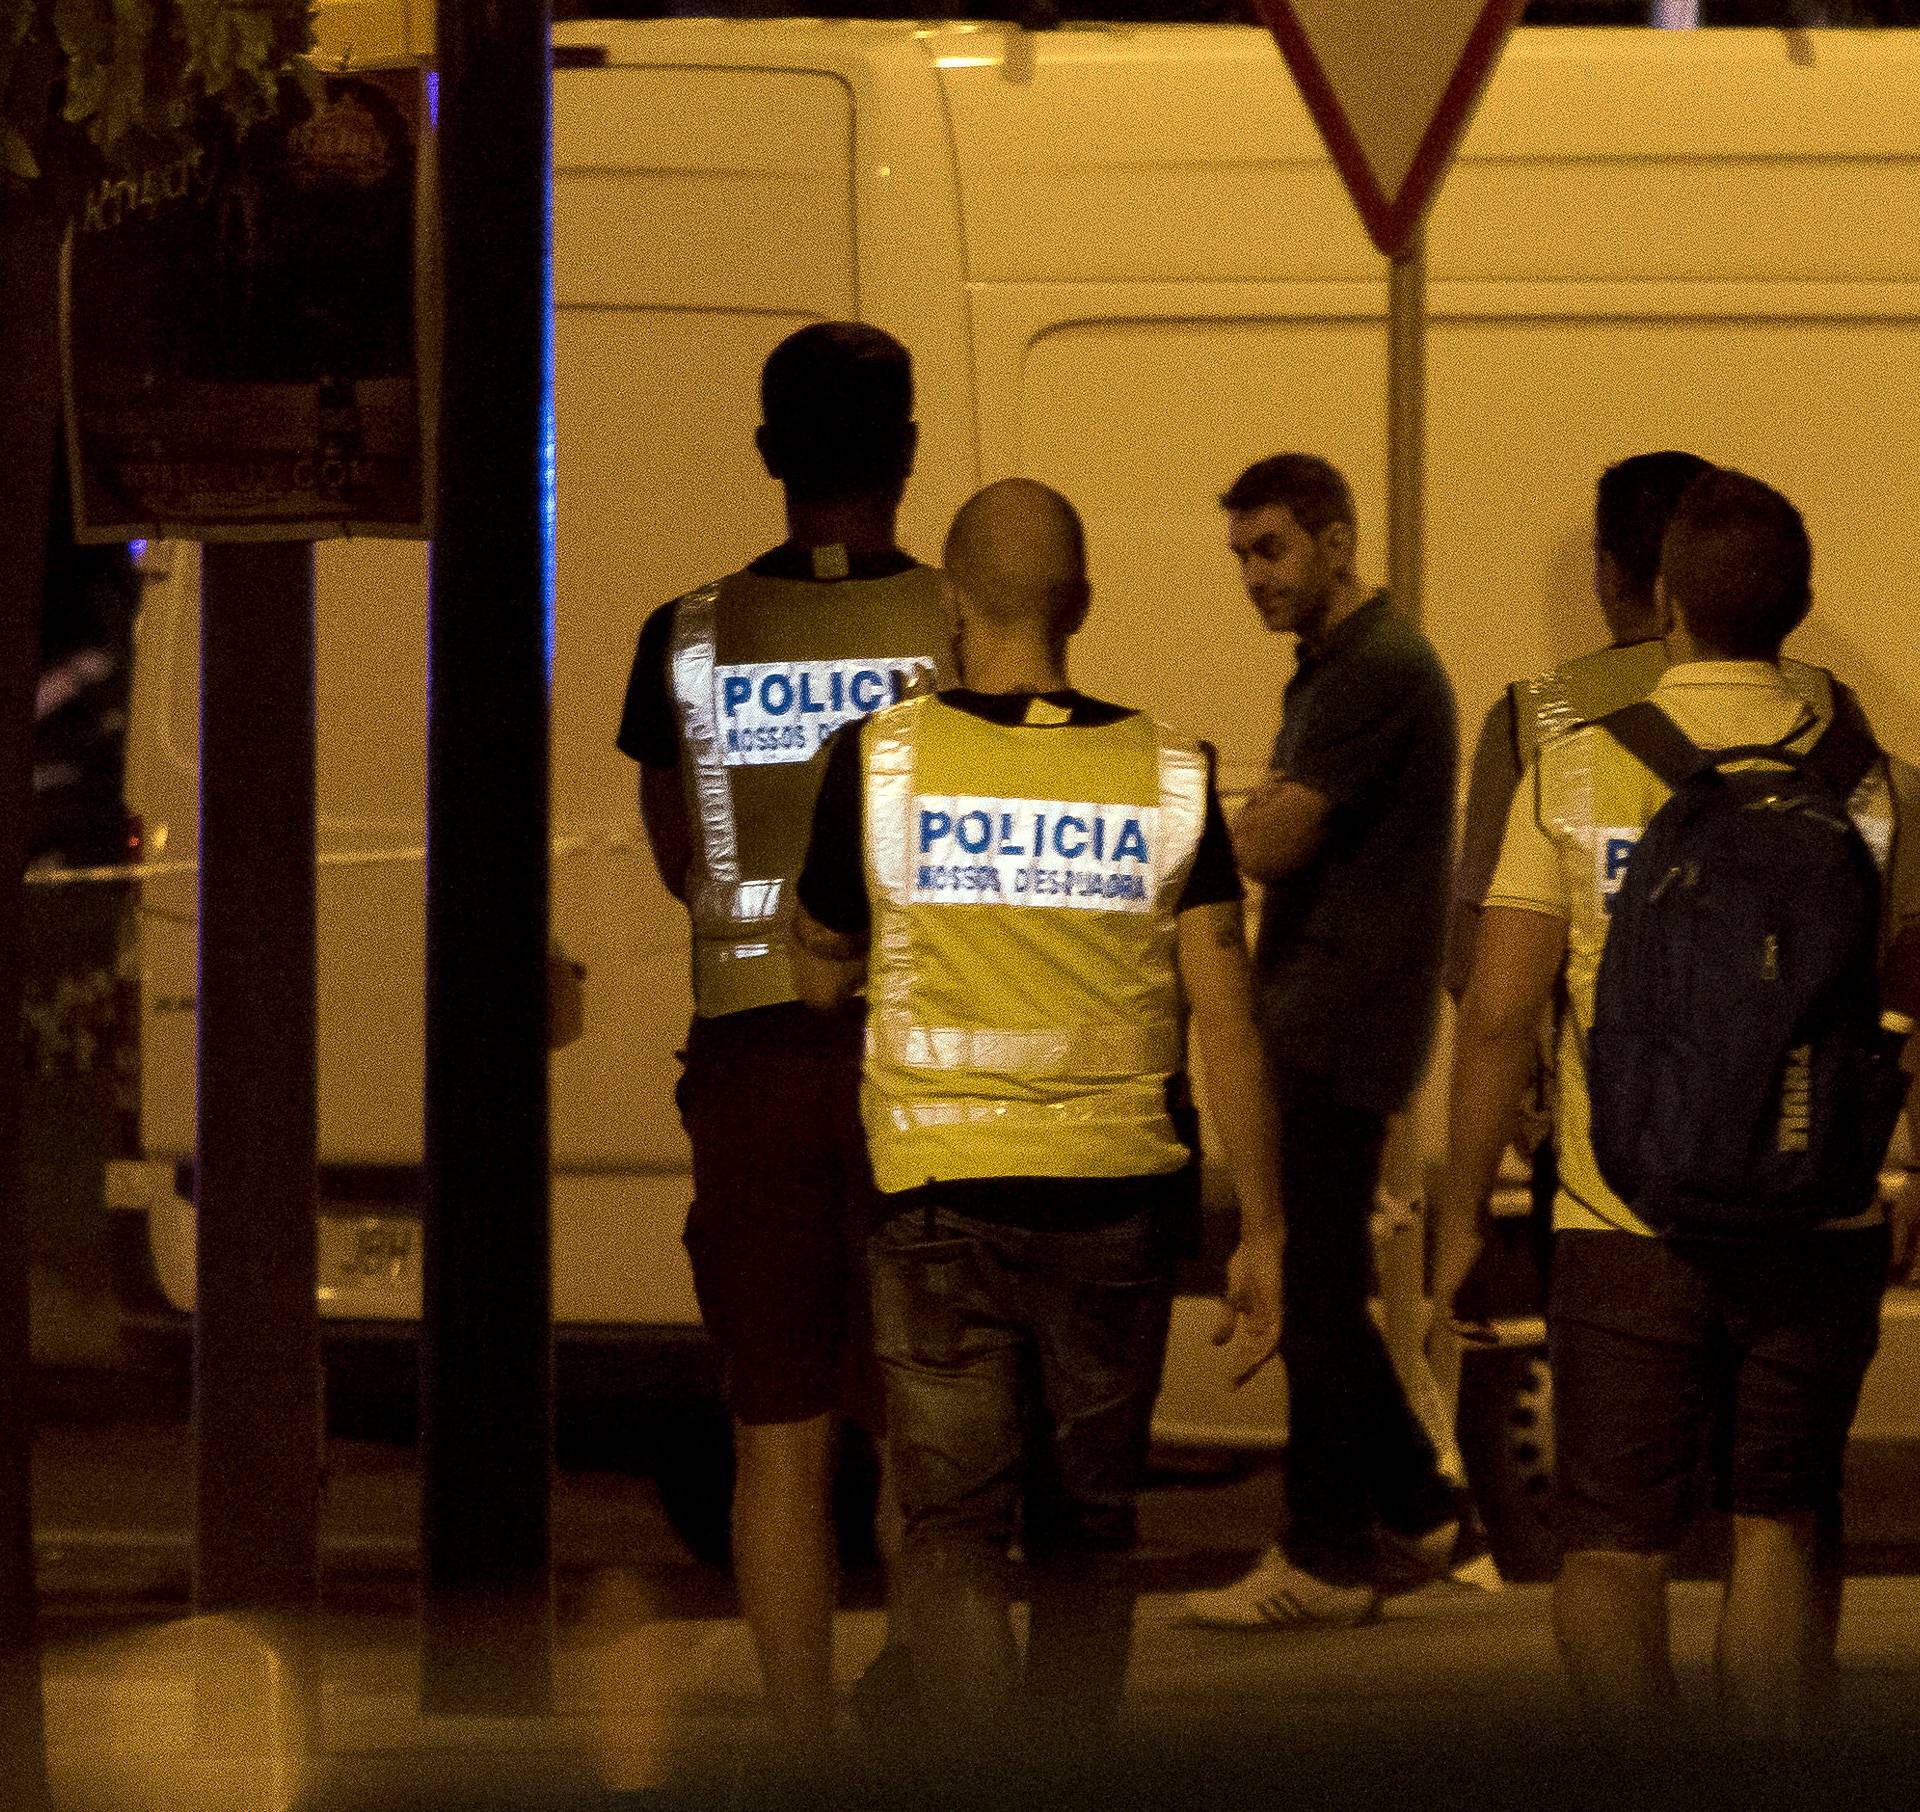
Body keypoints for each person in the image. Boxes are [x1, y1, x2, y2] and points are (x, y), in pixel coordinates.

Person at [789, 478, 1284, 1758]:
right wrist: (1266, 1234)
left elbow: (820, 962)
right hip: (1116, 1207)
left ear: (952, 602)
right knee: (1092, 1526)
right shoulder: (1171, 773)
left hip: (938, 1202)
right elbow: (1227, 1016)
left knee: (952, 1527)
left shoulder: (883, 760)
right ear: (1084, 605)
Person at [1432, 467, 1920, 1742]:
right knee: (1776, 1527)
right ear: (1800, 606)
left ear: (1662, 601)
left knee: (1611, 1549)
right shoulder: (1882, 782)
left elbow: (1493, 1012)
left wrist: (1457, 1215)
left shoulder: (1576, 764)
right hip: (1815, 1218)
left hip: (1621, 1211)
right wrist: (1910, 1173)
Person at [615, 321, 955, 1742]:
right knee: (935, 1425)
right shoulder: (957, 627)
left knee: (778, 1435)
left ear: (767, 456)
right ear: (909, 454)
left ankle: (806, 1743)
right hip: (920, 1067)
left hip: (752, 1065)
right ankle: (932, 1705)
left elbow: (677, 864)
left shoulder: (687, 638)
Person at [1181, 452, 1465, 1632]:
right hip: (1334, 1011)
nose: (1252, 576)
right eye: (1241, 554)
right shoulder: (1345, 665)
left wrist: (1228, 807)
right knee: (1326, 1288)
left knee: (1310, 1291)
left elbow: (1269, 843)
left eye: (1272, 548)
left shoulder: (1376, 669)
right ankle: (1419, 1502)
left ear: (1337, 542)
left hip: (1334, 1019)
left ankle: (1329, 1551)